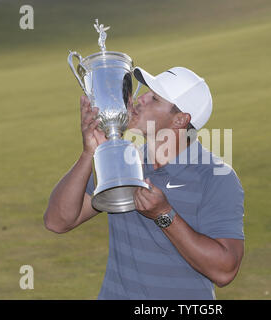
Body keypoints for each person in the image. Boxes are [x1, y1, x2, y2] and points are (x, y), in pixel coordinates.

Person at [44, 66, 245, 299]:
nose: (140, 98)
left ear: (180, 119)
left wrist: (164, 214)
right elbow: (57, 222)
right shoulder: (123, 160)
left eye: (154, 98)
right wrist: (89, 153)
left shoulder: (217, 177)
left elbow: (225, 271)